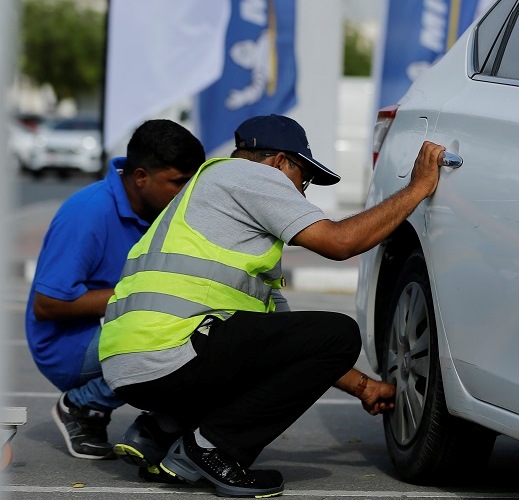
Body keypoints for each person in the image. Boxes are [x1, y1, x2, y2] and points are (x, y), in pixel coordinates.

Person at [100, 114, 444, 497]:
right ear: (280, 162)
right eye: (305, 179)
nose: (303, 193)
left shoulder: (213, 206)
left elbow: (291, 346)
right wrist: (418, 189)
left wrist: (363, 387)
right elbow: (340, 242)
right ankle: (213, 449)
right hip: (169, 353)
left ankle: (162, 432)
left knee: (316, 340)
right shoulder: (247, 177)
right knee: (340, 332)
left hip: (131, 364)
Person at [25, 119, 205, 462]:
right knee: (169, 333)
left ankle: (160, 424)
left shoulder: (160, 209)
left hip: (111, 330)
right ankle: (81, 405)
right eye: (178, 183)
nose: (186, 194)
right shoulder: (89, 211)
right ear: (141, 177)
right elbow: (47, 305)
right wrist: (143, 294)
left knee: (209, 329)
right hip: (66, 346)